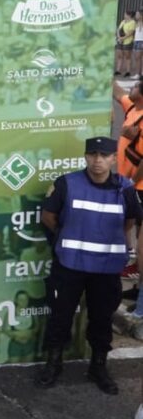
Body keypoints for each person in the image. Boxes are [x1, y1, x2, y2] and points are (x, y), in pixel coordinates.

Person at [37, 136, 141, 395]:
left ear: (113, 159)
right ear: (85, 156)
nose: (97, 160)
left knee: (102, 319)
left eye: (104, 155)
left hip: (106, 268)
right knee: (60, 316)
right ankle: (53, 364)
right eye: (92, 154)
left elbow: (130, 220)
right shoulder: (67, 183)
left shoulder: (125, 188)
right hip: (70, 264)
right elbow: (48, 216)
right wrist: (64, 237)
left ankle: (98, 366)